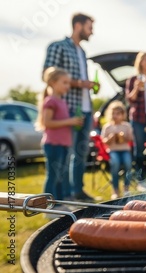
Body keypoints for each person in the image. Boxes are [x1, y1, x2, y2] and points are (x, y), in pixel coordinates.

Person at [43, 13, 98, 201]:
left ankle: (77, 191)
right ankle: (61, 196)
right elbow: (46, 73)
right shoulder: (58, 46)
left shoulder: (82, 52)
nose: (92, 32)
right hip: (68, 109)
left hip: (85, 108)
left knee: (81, 154)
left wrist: (88, 86)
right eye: (90, 27)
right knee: (65, 155)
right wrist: (80, 83)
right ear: (78, 25)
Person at [36, 67, 83, 210]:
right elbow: (47, 123)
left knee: (61, 175)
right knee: (53, 175)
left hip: (63, 144)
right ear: (53, 83)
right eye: (64, 82)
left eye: (69, 83)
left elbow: (62, 122)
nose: (68, 86)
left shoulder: (61, 101)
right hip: (53, 144)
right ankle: (47, 206)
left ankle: (58, 202)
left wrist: (75, 122)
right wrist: (70, 121)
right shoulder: (50, 101)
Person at [100, 101, 133, 199]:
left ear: (123, 115)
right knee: (115, 163)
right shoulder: (107, 127)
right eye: (113, 113)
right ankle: (115, 190)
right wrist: (110, 138)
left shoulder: (126, 126)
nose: (115, 116)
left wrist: (124, 137)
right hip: (113, 150)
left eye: (118, 114)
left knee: (128, 164)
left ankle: (126, 189)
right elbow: (104, 141)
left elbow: (130, 139)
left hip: (125, 150)